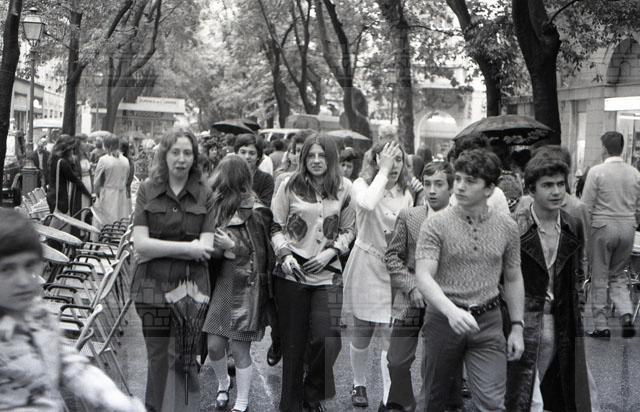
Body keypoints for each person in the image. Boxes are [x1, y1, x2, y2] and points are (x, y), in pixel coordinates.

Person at [0, 208, 145, 412]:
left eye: (30, 265)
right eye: (7, 269)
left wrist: (109, 395)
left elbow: (65, 359)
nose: (23, 280)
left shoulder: (36, 312)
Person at [415, 149, 525, 412]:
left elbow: (513, 277)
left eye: (470, 181)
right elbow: (423, 275)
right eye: (458, 179)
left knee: (493, 403)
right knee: (433, 402)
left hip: (488, 321)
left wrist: (517, 327)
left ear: (490, 189)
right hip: (443, 319)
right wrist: (451, 311)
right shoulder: (436, 224)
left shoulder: (507, 226)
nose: (460, 186)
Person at [131, 128, 215, 412]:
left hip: (191, 290)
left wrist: (158, 248)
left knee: (184, 358)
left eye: (187, 153)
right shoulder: (147, 189)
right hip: (150, 289)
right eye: (175, 152)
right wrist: (188, 249)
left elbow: (206, 246)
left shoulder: (205, 194)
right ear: (164, 155)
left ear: (195, 157)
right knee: (157, 359)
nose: (181, 159)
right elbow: (140, 244)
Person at [271, 133, 356, 412]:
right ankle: (291, 405)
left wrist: (331, 252)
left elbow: (349, 229)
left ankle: (312, 394)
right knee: (294, 344)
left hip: (328, 271)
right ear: (303, 158)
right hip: (292, 271)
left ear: (331, 158)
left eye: (322, 155)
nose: (316, 160)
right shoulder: (289, 185)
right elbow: (275, 226)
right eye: (311, 155)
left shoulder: (345, 188)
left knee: (327, 338)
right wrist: (285, 255)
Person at [508, 155, 595, 411]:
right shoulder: (515, 226)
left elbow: (578, 269)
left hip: (562, 317)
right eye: (547, 185)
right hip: (524, 318)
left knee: (562, 387)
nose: (556, 191)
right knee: (522, 389)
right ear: (531, 189)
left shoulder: (572, 224)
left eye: (560, 184)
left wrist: (577, 305)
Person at [384, 161, 462, 412]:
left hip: (445, 303)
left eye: (439, 184)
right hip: (411, 300)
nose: (431, 190)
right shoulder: (410, 216)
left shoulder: (463, 219)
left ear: (451, 187)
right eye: (427, 184)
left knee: (437, 366)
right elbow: (392, 257)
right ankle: (405, 404)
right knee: (396, 361)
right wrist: (411, 287)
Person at [342, 141, 414, 408]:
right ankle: (358, 382)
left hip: (393, 268)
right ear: (375, 160)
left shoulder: (406, 193)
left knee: (388, 332)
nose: (394, 165)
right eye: (387, 159)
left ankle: (387, 397)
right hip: (367, 263)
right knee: (363, 329)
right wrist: (382, 172)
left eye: (398, 159)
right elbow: (369, 204)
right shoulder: (361, 185)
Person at [203, 155, 274, 412]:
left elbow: (261, 255)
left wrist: (231, 246)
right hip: (221, 283)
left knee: (240, 347)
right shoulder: (215, 207)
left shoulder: (256, 211)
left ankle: (242, 401)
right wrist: (218, 248)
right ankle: (224, 384)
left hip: (247, 287)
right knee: (214, 345)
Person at [582, 131, 640, 338]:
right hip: (627, 227)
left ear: (604, 149)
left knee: (599, 276)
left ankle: (601, 324)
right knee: (618, 274)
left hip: (602, 226)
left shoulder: (597, 172)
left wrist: (585, 234)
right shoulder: (634, 173)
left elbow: (586, 206)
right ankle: (626, 312)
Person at [447, 134, 510, 214]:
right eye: (463, 155)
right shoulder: (454, 189)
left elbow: (505, 220)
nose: (468, 160)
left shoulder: (496, 194)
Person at [46, 135, 92, 215]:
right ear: (67, 148)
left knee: (54, 219)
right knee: (59, 220)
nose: (72, 150)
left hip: (52, 195)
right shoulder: (62, 162)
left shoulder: (53, 158)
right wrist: (89, 195)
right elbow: (75, 179)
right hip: (59, 198)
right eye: (71, 148)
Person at [94, 134, 131, 227]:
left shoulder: (103, 160)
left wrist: (97, 194)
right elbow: (126, 177)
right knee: (120, 218)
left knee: (106, 220)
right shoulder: (125, 160)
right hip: (122, 194)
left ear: (106, 145)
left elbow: (96, 181)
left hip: (108, 194)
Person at [234, 133, 274, 207]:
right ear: (236, 154)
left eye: (252, 153)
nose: (247, 156)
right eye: (243, 152)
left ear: (258, 157)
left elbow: (265, 209)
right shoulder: (228, 175)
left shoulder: (266, 180)